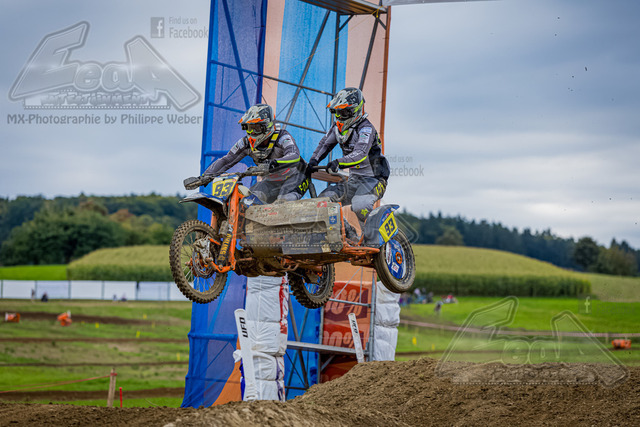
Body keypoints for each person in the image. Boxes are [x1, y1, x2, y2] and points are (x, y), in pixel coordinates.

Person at [307, 87, 390, 238]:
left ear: (355, 111)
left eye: (344, 112)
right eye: (337, 112)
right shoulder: (337, 127)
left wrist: (339, 162)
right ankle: (349, 234)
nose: (340, 116)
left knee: (360, 206)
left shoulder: (366, 129)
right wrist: (313, 160)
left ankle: (372, 238)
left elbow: (360, 154)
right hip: (354, 180)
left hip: (374, 179)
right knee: (323, 201)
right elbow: (325, 144)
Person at [201, 104, 308, 205]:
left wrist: (273, 163)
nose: (252, 132)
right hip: (271, 180)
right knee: (249, 201)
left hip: (296, 176)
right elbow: (226, 160)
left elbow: (294, 155)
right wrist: (205, 176)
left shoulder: (282, 137)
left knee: (284, 201)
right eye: (249, 128)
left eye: (256, 128)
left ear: (267, 126)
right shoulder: (245, 143)